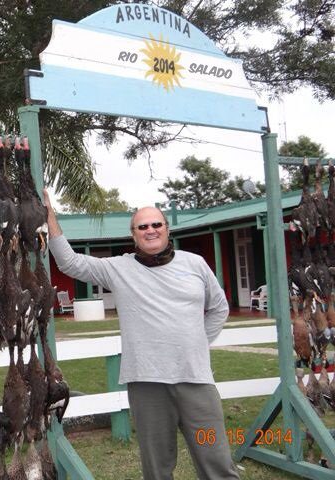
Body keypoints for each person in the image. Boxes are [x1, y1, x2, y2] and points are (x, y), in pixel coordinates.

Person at [43, 190, 239, 480]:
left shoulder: (195, 264)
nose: (151, 230)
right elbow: (70, 263)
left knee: (217, 459)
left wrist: (197, 343)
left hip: (196, 381)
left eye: (157, 224)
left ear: (167, 229)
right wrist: (49, 212)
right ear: (133, 235)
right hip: (148, 385)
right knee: (157, 467)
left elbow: (219, 308)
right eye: (143, 226)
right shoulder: (119, 268)